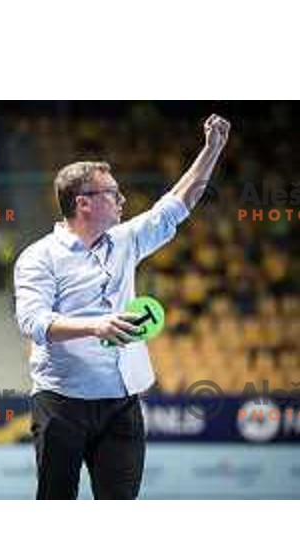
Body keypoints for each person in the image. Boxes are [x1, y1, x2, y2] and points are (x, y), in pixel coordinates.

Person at [14, 114, 231, 500]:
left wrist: (211, 150)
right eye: (112, 193)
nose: (122, 200)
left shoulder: (125, 240)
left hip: (121, 404)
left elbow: (179, 203)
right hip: (60, 404)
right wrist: (96, 326)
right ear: (83, 203)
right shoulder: (39, 257)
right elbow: (32, 322)